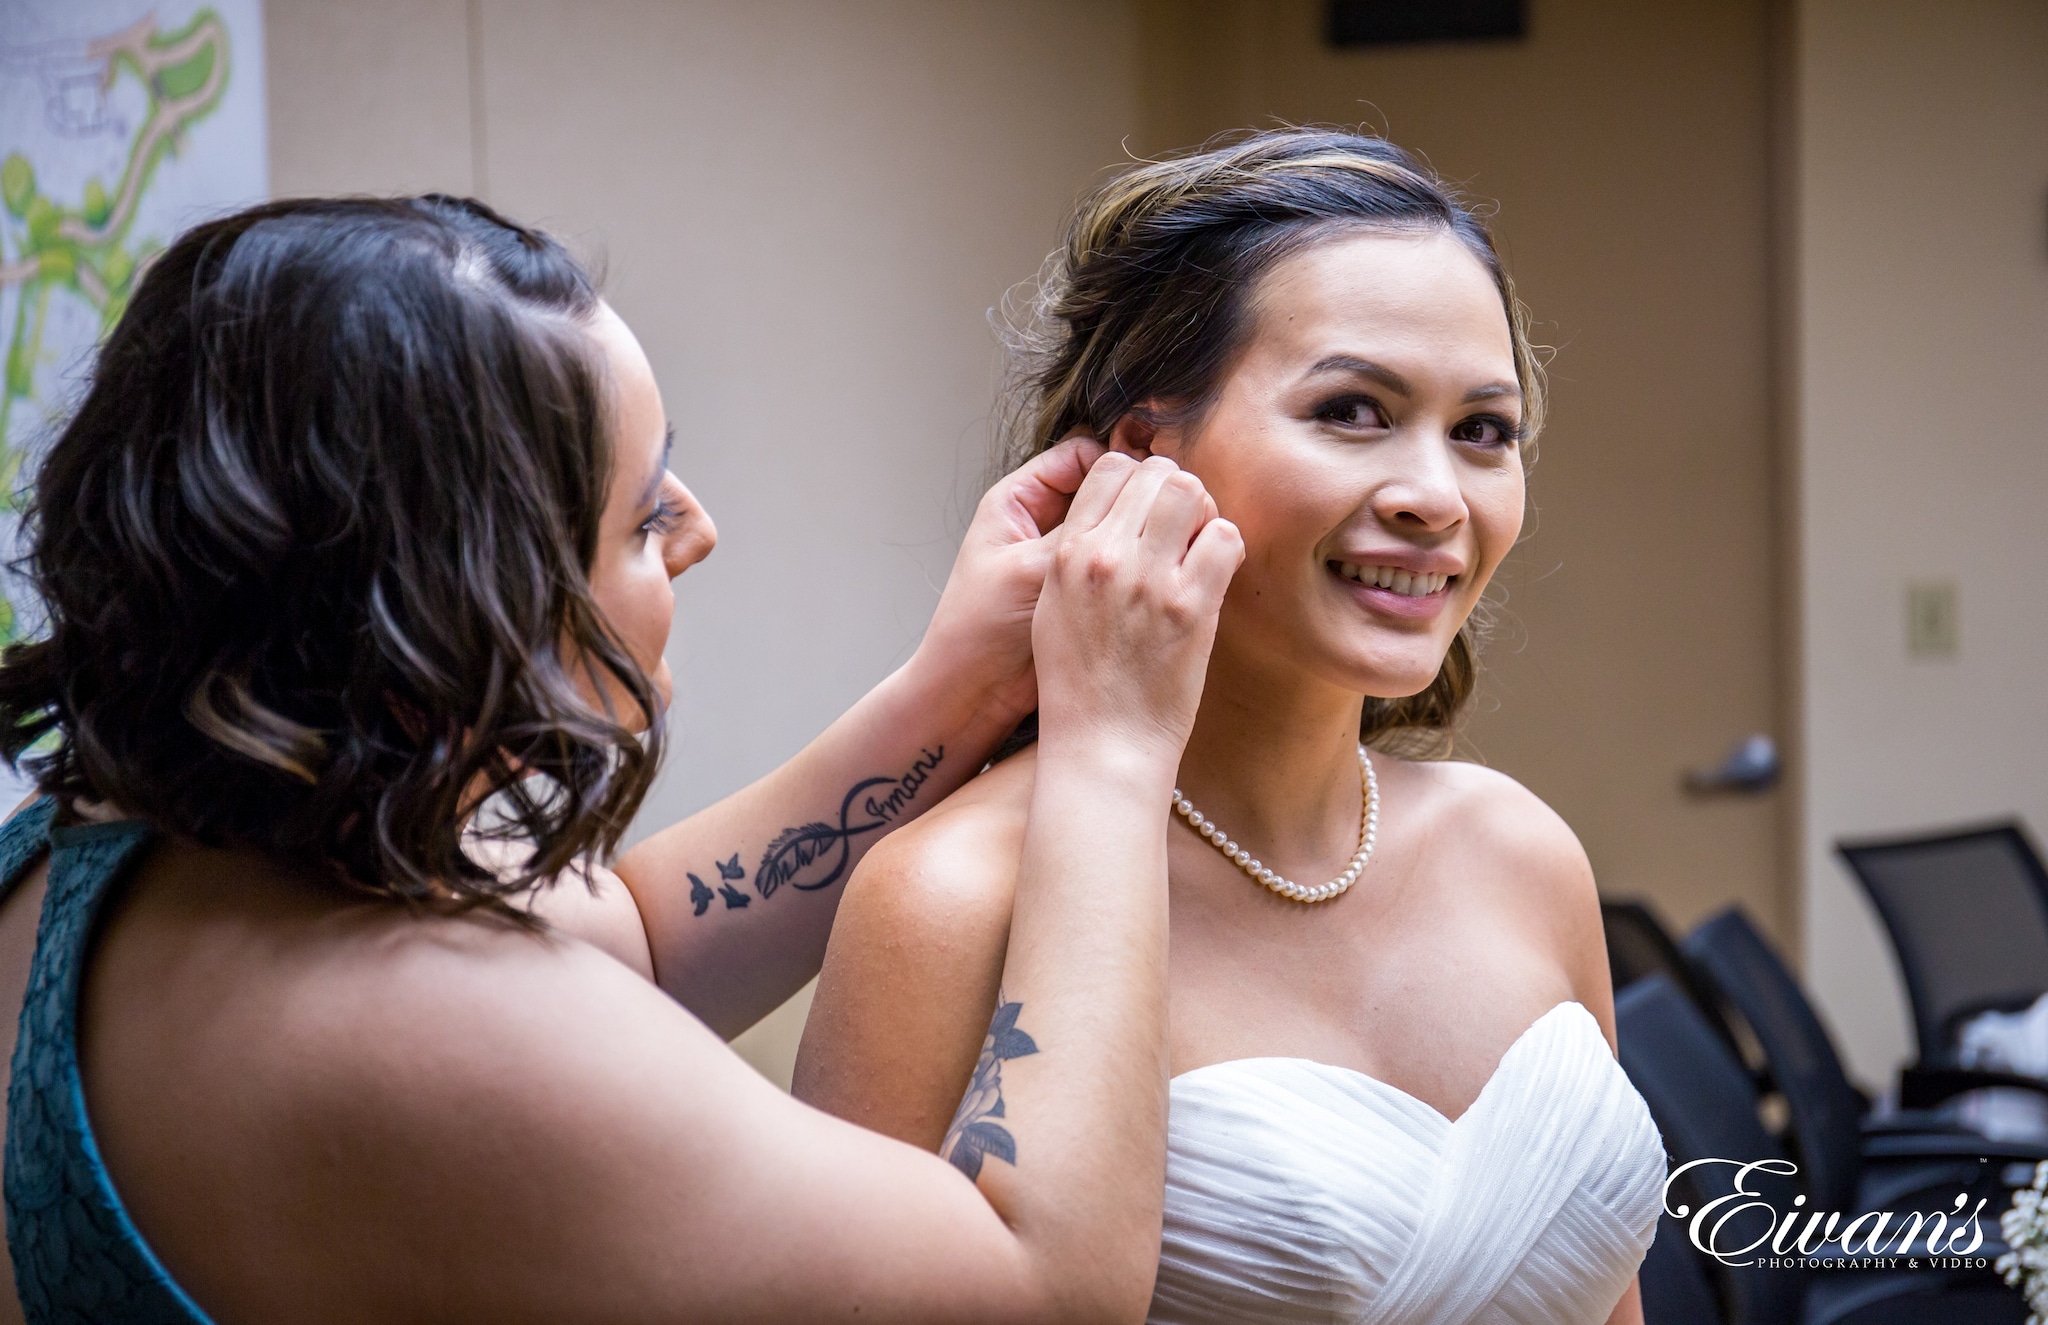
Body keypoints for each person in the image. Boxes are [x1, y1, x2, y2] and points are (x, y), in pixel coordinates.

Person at [0, 194, 1241, 1323]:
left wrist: (954, 692)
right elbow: (1045, 1290)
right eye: (643, 514)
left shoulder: (102, 851)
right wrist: (1112, 747)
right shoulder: (440, 1030)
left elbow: (634, 941)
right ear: (462, 599)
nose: (699, 529)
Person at [794, 129, 1666, 1325]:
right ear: (1148, 456)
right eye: (1353, 409)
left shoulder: (1520, 853)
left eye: (1482, 430)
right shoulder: (951, 901)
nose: (1436, 496)